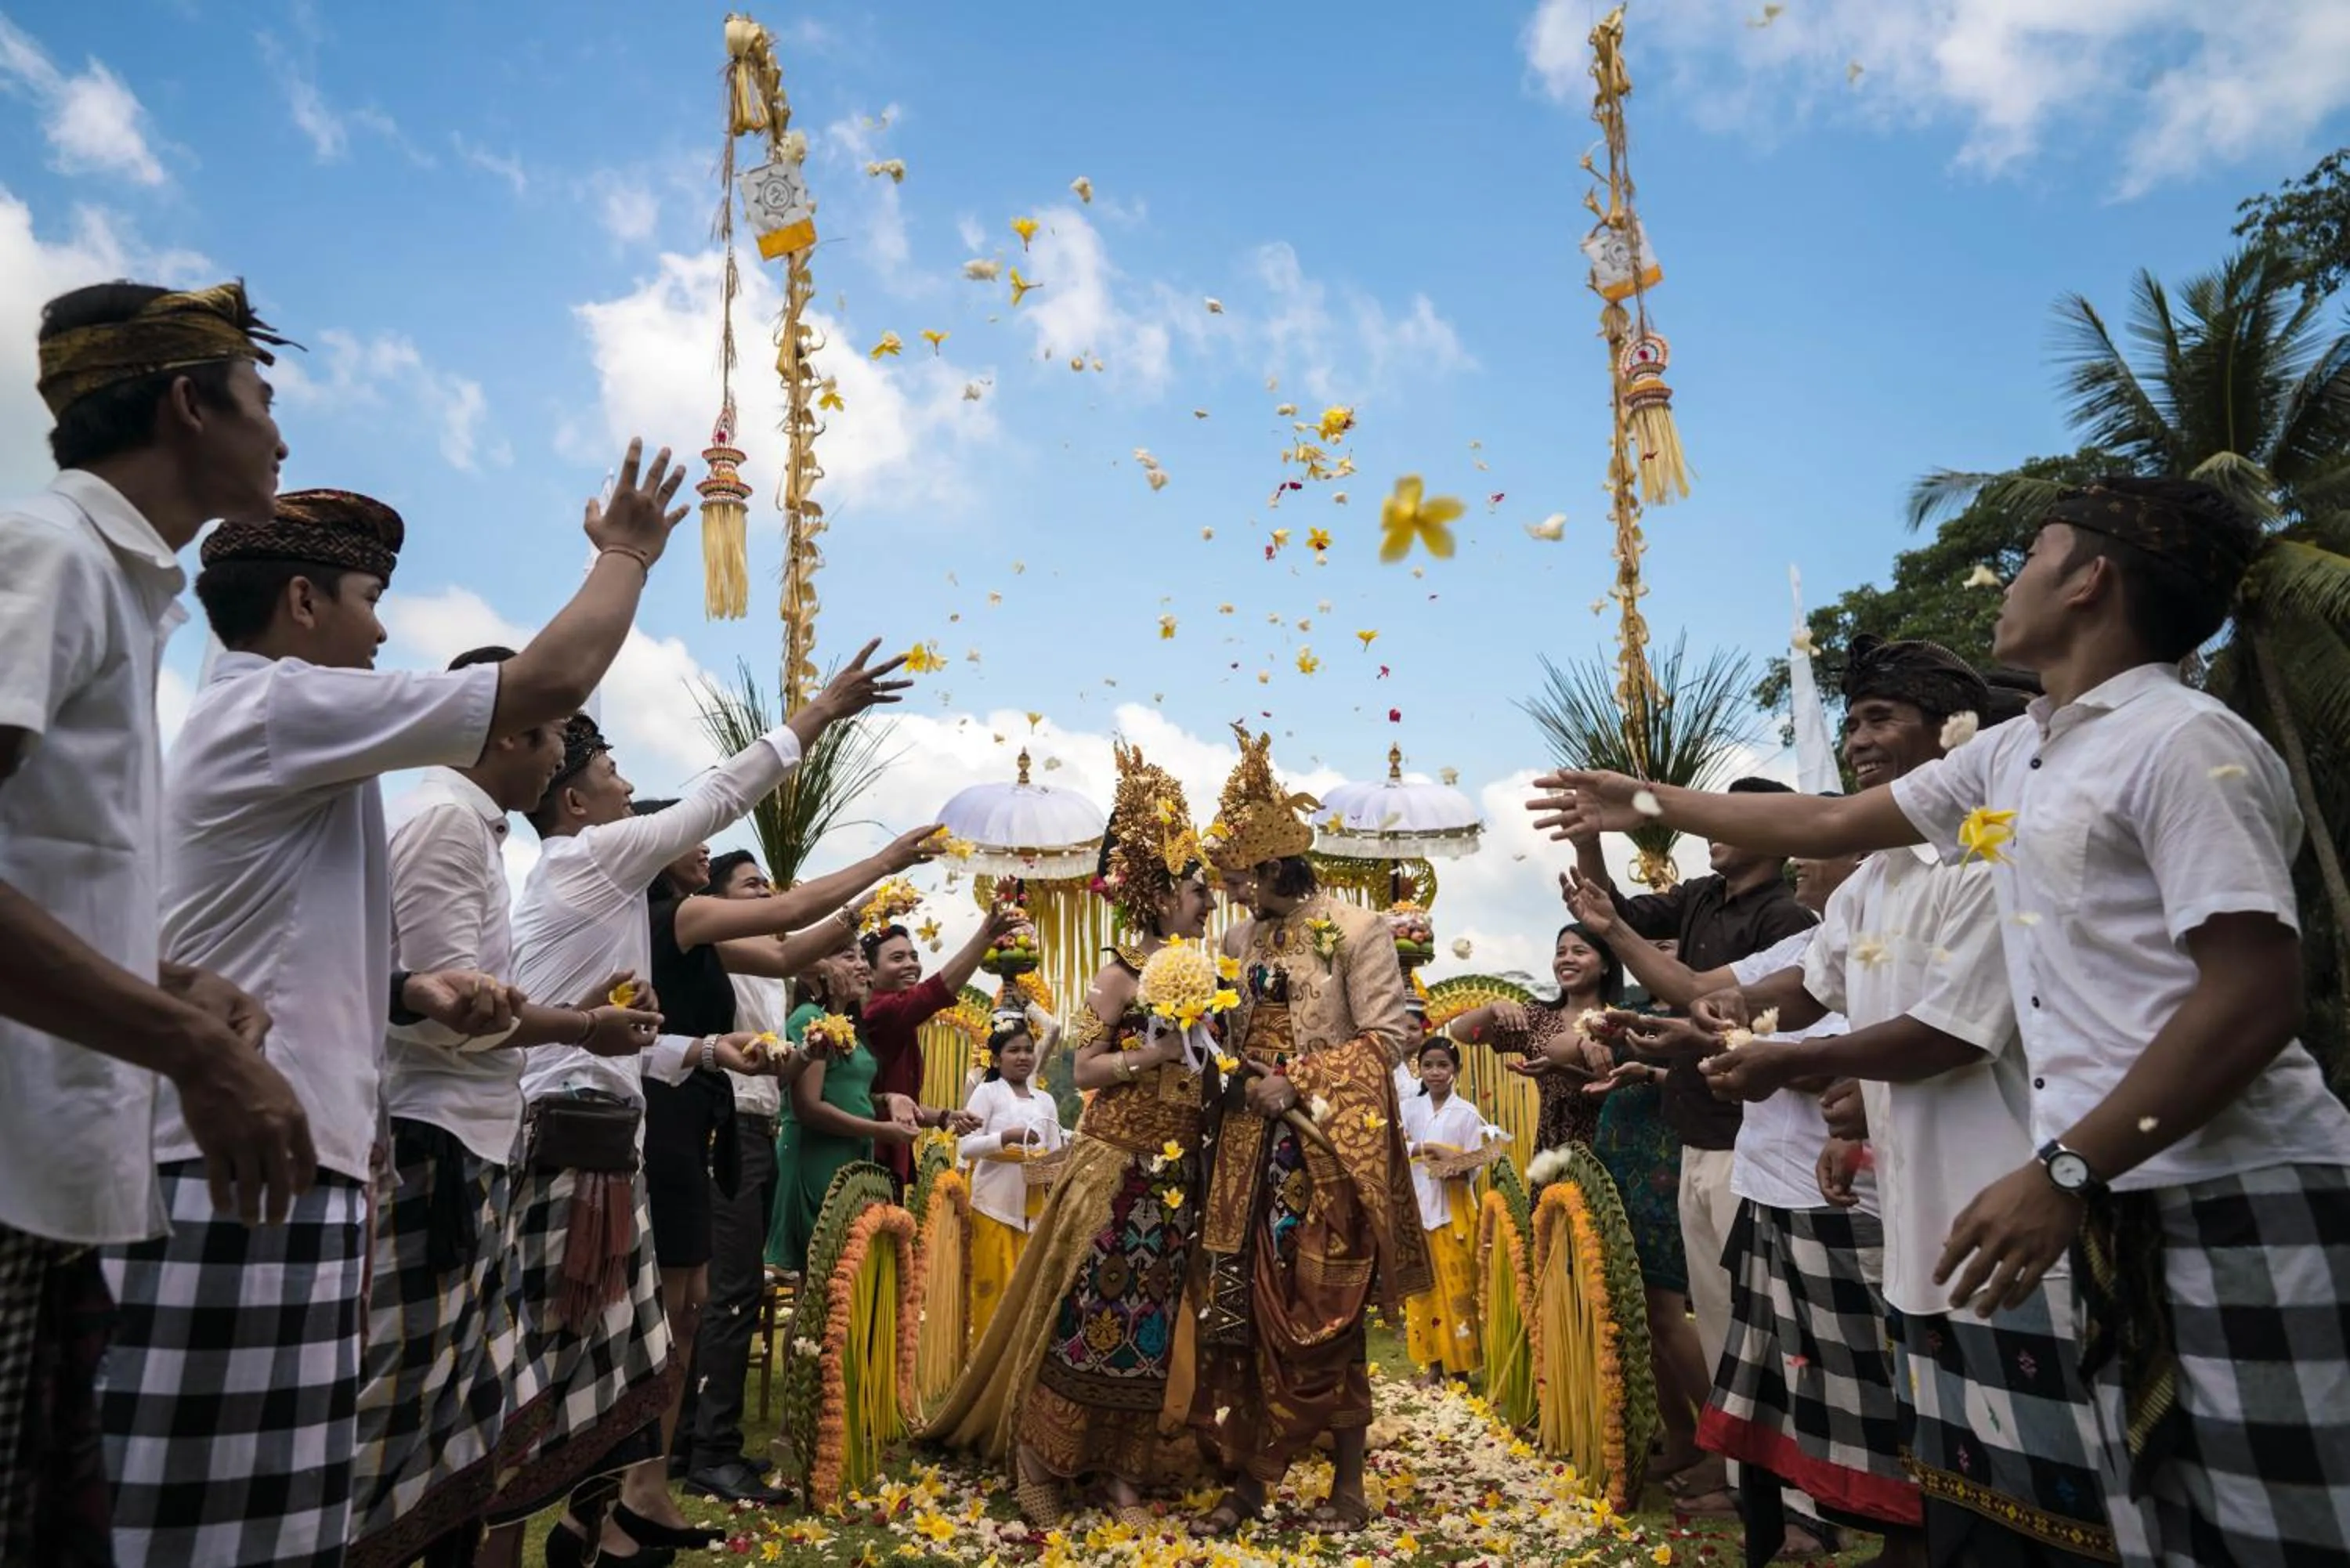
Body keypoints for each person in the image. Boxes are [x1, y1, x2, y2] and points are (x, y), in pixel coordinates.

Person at [1534, 479, 2350, 1566]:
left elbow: (2252, 994)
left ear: (2090, 578)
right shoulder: (2020, 756)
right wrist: (1639, 799)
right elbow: (1824, 817)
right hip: (2113, 1197)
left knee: (2276, 1528)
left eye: (2034, 553)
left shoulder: (2187, 743)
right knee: (2159, 1527)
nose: (2011, 580)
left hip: (2235, 1188)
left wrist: (2062, 1168)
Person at [104, 461, 682, 1568]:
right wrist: (629, 554)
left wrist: (415, 989)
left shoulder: (306, 744)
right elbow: (546, 678)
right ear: (303, 602)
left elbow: (295, 957)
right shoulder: (278, 700)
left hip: (289, 1145)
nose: (381, 633)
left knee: (285, 1493)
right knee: (215, 1504)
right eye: (369, 601)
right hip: (228, 1151)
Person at [0, 280, 313, 1568]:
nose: (282, 440)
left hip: (53, 1181)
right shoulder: (50, 557)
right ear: (189, 402)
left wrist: (168, 984)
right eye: (264, 400)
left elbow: (47, 864)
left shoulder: (127, 596)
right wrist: (189, 1048)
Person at [1697, 635, 2116, 1565]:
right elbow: (1809, 985)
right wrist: (1725, 1019)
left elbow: (1950, 1034)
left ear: (1956, 734)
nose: (1857, 743)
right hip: (1920, 1236)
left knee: (2061, 1512)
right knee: (1959, 1500)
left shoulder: (1990, 856)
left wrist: (1773, 1061)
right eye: (1849, 724)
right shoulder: (1877, 874)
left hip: (2018, 1222)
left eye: (1880, 718)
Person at [500, 640, 908, 1568]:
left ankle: (603, 1516)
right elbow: (719, 799)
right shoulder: (589, 862)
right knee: (572, 1359)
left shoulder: (592, 895)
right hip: (579, 1143)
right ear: (574, 802)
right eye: (610, 772)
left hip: (617, 1133)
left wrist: (703, 1047)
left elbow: (638, 1030)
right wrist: (821, 715)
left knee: (623, 1349)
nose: (628, 783)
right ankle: (595, 1511)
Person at [354, 645, 667, 1568]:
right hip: (435, 1142)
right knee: (407, 1422)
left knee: (465, 1427)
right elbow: (463, 1017)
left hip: (471, 1140)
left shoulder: (473, 828)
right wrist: (587, 1026)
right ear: (508, 734)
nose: (554, 764)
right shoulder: (448, 826)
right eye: (559, 741)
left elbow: (468, 998)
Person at [1578, 838, 1906, 1560]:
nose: (1806, 862)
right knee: (1756, 1365)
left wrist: (1775, 1064)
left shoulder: (1823, 929)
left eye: (1824, 849)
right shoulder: (1813, 943)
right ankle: (1766, 1501)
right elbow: (1708, 997)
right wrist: (1674, 1027)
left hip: (1835, 1197)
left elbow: (1873, 1070)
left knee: (1842, 1376)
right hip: (1766, 1185)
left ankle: (1824, 1517)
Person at [920, 740, 1216, 1530]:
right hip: (1115, 1168)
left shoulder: (1203, 972)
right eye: (1197, 890)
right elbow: (1083, 1067)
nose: (1208, 905)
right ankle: (1038, 1461)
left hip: (1173, 1175)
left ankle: (1123, 1470)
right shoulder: (1117, 973)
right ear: (1159, 892)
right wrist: (1148, 1052)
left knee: (1149, 1327)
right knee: (1090, 1316)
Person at [639, 817, 940, 1509]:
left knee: (715, 1297)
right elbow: (790, 947)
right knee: (723, 1296)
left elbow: (790, 964)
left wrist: (873, 907)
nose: (765, 895)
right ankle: (705, 1450)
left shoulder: (754, 962)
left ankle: (692, 1442)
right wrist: (887, 862)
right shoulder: (708, 943)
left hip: (747, 1125)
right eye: (751, 887)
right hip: (714, 1125)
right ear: (712, 900)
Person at [1190, 725, 1425, 1539]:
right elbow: (1219, 1030)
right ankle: (1248, 1483)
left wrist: (1303, 1080)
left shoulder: (1360, 930)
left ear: (1275, 866)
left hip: (1323, 1150)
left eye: (1242, 875)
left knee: (1327, 1311)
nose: (1233, 890)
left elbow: (1390, 1039)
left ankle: (1349, 1484)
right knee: (1238, 1312)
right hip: (1244, 1147)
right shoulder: (1236, 938)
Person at [1564, 781, 1818, 1512]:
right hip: (1696, 1135)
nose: (1715, 829)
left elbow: (1740, 1013)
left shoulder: (1787, 917)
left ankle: (1795, 1497)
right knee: (1718, 1321)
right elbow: (1608, 908)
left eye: (1733, 817)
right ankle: (1744, 1484)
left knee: (1761, 1321)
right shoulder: (1705, 895)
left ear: (1774, 833)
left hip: (1756, 1141)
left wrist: (1622, 944)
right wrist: (1587, 835)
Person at [767, 945, 971, 1274]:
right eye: (848, 957)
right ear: (819, 969)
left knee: (837, 1290)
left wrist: (888, 1099)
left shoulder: (848, 1027)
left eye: (863, 957)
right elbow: (808, 1107)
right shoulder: (809, 1020)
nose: (862, 966)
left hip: (850, 1162)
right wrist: (880, 1130)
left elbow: (848, 1091)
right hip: (816, 1161)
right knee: (823, 1287)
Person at [861, 903, 1031, 1186]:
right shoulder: (881, 1012)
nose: (911, 964)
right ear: (868, 971)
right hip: (869, 1157)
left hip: (889, 1156)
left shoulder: (896, 1016)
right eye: (897, 958)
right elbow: (935, 992)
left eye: (914, 956)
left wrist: (944, 1116)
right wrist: (986, 935)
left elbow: (897, 1102)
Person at [1442, 924, 1619, 1153]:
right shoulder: (1537, 1016)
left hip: (1610, 1146)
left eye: (1579, 951)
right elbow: (1461, 1032)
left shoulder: (1620, 1017)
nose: (1566, 959)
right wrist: (1492, 1009)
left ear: (1605, 965)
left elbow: (1615, 1091)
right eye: (1560, 952)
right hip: (1552, 1152)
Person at [958, 1012, 1068, 1342]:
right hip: (993, 1206)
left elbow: (1053, 1147)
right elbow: (967, 1147)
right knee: (992, 1292)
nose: (1023, 1057)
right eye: (1013, 1050)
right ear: (996, 1058)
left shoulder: (1045, 1100)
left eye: (1027, 1050)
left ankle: (1018, 1369)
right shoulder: (988, 1093)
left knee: (1028, 1293)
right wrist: (1006, 1137)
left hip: (1034, 1212)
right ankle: (983, 1366)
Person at [1398, 1038, 1489, 1384]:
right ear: (1418, 1069)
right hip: (1418, 1209)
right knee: (1422, 1293)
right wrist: (1429, 1148)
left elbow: (1478, 1160)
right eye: (1428, 1065)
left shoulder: (1466, 1113)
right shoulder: (1409, 1109)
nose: (1435, 1073)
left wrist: (1455, 1165)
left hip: (1453, 1214)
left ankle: (1461, 1369)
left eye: (1443, 1066)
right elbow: (1393, 1145)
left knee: (1458, 1292)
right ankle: (1432, 1366)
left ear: (1456, 1071)